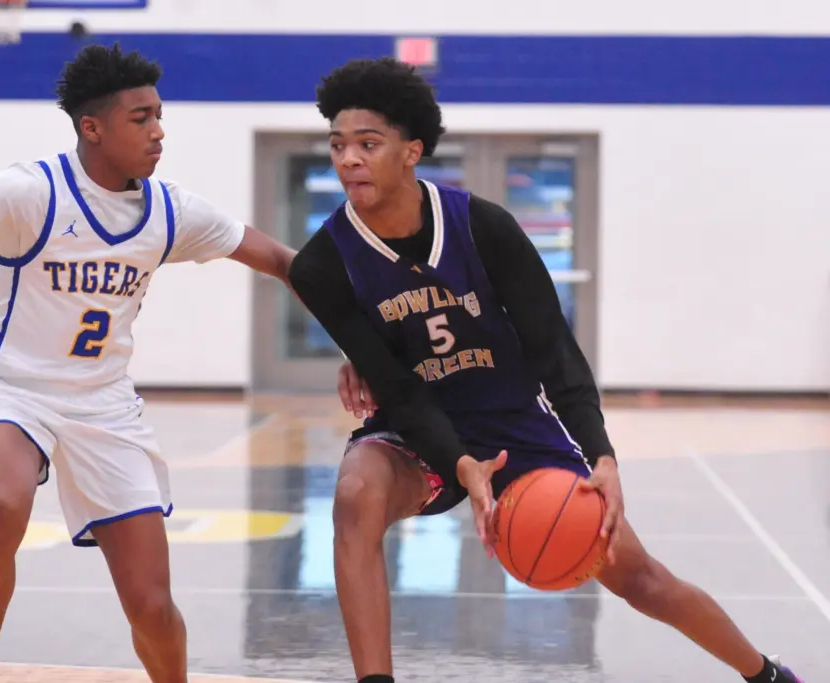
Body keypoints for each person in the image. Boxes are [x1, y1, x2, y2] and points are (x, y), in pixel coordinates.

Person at [287, 57, 805, 683]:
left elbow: (552, 349)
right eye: (338, 145)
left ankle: (766, 674)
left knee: (640, 579)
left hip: (512, 424)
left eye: (368, 144)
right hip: (413, 429)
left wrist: (601, 455)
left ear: (411, 151)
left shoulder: (484, 227)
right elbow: (395, 387)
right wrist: (460, 463)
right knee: (355, 496)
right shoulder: (323, 264)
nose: (348, 159)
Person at [0, 44, 295, 683]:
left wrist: (365, 317)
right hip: (9, 392)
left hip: (104, 406)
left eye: (159, 115)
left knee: (152, 607)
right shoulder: (29, 191)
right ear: (92, 127)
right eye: (141, 118)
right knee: (4, 504)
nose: (159, 131)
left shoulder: (171, 210)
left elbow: (285, 263)